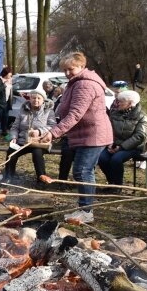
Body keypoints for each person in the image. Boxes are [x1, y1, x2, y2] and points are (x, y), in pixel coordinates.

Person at [47, 52, 112, 223]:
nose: (67, 73)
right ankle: (84, 208)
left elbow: (75, 114)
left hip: (93, 134)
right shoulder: (76, 82)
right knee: (84, 171)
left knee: (82, 171)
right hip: (85, 133)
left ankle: (86, 211)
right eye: (64, 70)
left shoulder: (85, 85)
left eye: (71, 69)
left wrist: (54, 133)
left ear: (81, 66)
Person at [97, 90, 147, 189]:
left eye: (121, 101)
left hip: (133, 147)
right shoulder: (114, 113)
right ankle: (112, 182)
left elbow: (140, 136)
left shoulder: (142, 116)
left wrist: (121, 147)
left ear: (130, 103)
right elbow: (107, 129)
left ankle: (118, 186)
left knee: (116, 159)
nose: (118, 103)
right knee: (101, 158)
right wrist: (109, 144)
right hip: (113, 144)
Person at [5, 89, 57, 184]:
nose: (36, 100)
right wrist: (14, 137)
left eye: (38, 98)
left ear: (43, 100)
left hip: (40, 142)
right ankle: (9, 176)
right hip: (23, 141)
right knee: (11, 150)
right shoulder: (23, 110)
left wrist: (39, 131)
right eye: (33, 98)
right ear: (30, 99)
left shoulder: (49, 112)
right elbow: (15, 127)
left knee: (37, 153)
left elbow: (53, 126)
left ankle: (41, 179)